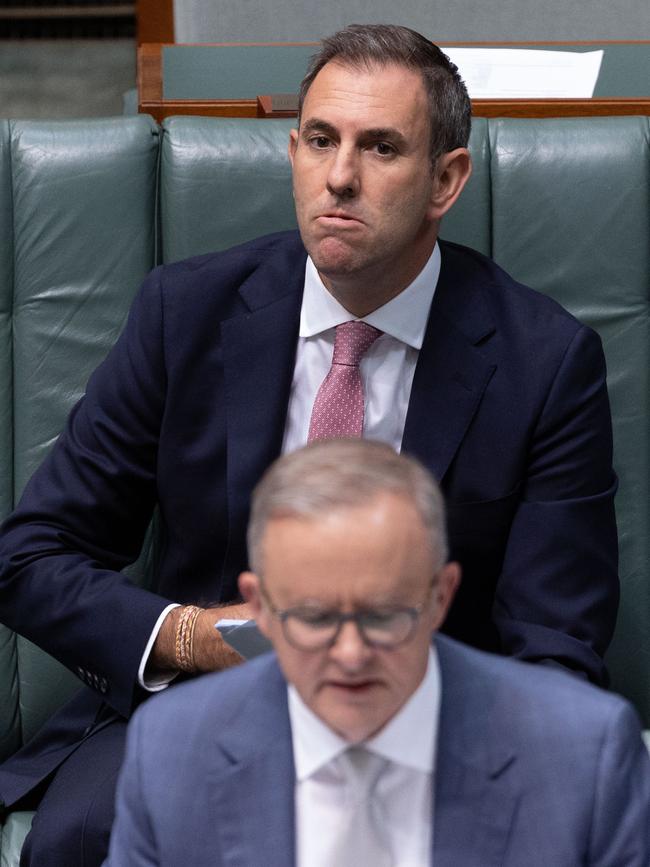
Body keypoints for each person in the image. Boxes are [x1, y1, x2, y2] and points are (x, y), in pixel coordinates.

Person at [0, 23, 618, 866]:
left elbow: (556, 645)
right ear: (292, 150)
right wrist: (194, 637)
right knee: (81, 838)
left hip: (430, 716)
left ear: (447, 179)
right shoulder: (185, 314)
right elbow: (32, 554)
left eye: (381, 148)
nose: (339, 176)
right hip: (203, 698)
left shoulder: (545, 363)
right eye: (321, 139)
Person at [105, 439, 649, 867]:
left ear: (441, 597)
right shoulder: (172, 752)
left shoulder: (585, 756)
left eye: (384, 615)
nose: (350, 653)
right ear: (260, 606)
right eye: (315, 618)